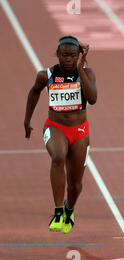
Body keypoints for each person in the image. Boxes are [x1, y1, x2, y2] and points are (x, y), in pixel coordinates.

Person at [24, 35, 97, 234]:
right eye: (64, 55)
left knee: (75, 185)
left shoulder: (87, 73)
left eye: (73, 56)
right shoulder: (46, 75)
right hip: (54, 127)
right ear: (57, 55)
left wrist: (80, 69)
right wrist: (27, 120)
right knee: (57, 157)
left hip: (80, 131)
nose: (68, 60)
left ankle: (69, 209)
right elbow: (34, 92)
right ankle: (58, 211)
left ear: (78, 57)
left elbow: (92, 99)